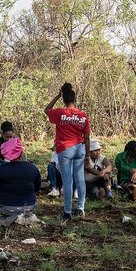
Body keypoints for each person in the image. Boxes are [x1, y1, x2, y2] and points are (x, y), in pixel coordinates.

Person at [45, 83, 90, 222]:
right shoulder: (83, 115)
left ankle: (67, 212)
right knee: (80, 178)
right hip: (79, 149)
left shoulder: (60, 112)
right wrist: (87, 155)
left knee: (68, 180)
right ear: (75, 100)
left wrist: (58, 95)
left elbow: (47, 109)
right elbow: (87, 137)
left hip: (65, 149)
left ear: (64, 100)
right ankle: (81, 208)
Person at [0, 138, 42, 227]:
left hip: (7, 208)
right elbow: (37, 188)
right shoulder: (33, 168)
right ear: (21, 152)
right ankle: (23, 216)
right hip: (29, 207)